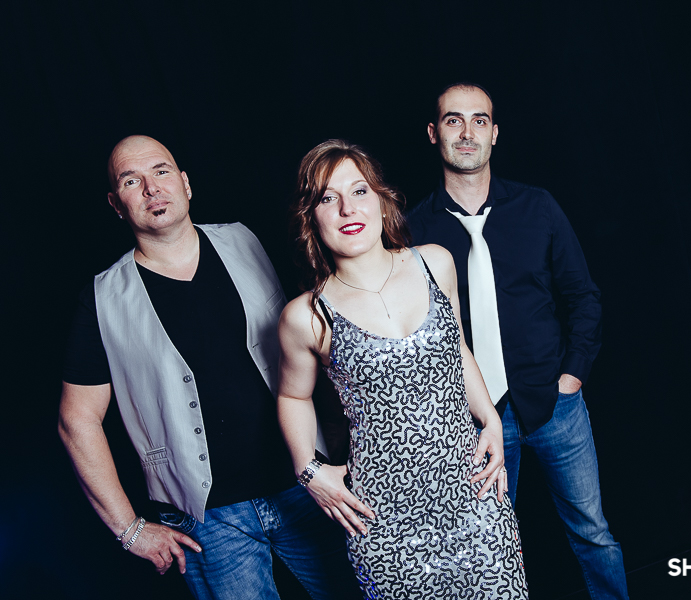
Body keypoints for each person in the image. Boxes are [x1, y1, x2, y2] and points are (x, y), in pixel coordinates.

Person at [58, 135, 360, 600]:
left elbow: (321, 334)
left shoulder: (245, 238)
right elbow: (76, 420)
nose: (151, 188)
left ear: (185, 183)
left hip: (306, 484)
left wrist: (343, 442)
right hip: (208, 522)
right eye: (131, 181)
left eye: (161, 172)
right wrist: (129, 529)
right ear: (117, 204)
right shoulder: (101, 300)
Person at [277, 139, 528, 598]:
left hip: (473, 494)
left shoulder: (435, 262)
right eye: (328, 199)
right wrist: (308, 470)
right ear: (311, 217)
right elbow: (292, 395)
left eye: (359, 191)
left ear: (381, 199)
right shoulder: (306, 316)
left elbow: (458, 350)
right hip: (384, 522)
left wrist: (490, 418)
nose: (347, 209)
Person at [407, 83, 629, 599]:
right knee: (493, 549)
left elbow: (583, 296)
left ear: (495, 134)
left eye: (479, 120)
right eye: (454, 120)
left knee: (593, 534)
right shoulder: (412, 231)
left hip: (556, 407)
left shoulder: (537, 207)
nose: (467, 132)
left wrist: (571, 377)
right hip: (473, 421)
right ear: (434, 133)